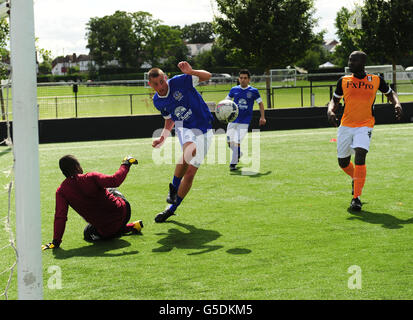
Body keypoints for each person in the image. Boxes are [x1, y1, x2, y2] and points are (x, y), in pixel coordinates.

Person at [327, 51, 403, 211]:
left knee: (360, 154)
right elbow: (334, 101)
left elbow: (391, 94)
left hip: (365, 124)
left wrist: (397, 103)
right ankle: (356, 178)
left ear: (362, 63)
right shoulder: (344, 80)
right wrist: (330, 111)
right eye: (349, 60)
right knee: (343, 163)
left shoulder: (375, 80)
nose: (350, 63)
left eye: (353, 61)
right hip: (346, 125)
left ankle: (356, 198)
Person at [148, 61, 213, 223]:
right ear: (150, 85)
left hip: (204, 128)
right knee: (189, 150)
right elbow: (169, 119)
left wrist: (191, 71)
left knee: (190, 175)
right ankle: (173, 188)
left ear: (166, 77)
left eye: (162, 81)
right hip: (184, 128)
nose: (160, 86)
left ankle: (171, 209)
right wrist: (163, 136)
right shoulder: (158, 101)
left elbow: (208, 76)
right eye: (156, 84)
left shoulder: (181, 81)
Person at [41, 155, 142, 250]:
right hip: (124, 212)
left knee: (88, 233)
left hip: (106, 229)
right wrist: (126, 164)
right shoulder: (91, 177)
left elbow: (60, 217)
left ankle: (128, 228)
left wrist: (56, 241)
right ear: (77, 167)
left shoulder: (61, 191)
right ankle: (129, 227)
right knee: (110, 188)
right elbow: (115, 180)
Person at [224, 69, 266, 171]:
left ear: (249, 80)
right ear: (239, 79)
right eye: (241, 78)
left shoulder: (254, 91)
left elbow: (260, 103)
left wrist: (262, 117)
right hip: (233, 119)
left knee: (237, 141)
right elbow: (226, 101)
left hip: (245, 121)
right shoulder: (234, 89)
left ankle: (233, 164)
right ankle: (238, 153)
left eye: (245, 78)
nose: (243, 80)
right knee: (229, 142)